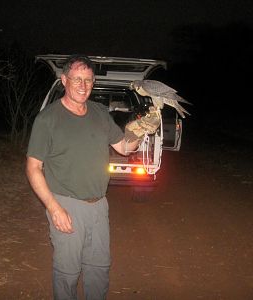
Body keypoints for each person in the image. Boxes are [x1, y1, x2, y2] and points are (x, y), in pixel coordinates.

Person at [26, 54, 160, 300]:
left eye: (88, 80)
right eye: (77, 79)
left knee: (98, 269)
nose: (82, 85)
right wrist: (54, 208)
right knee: (67, 273)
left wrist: (142, 129)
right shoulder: (48, 120)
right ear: (64, 80)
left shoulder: (99, 112)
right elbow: (33, 167)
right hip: (66, 204)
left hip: (99, 206)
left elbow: (123, 147)